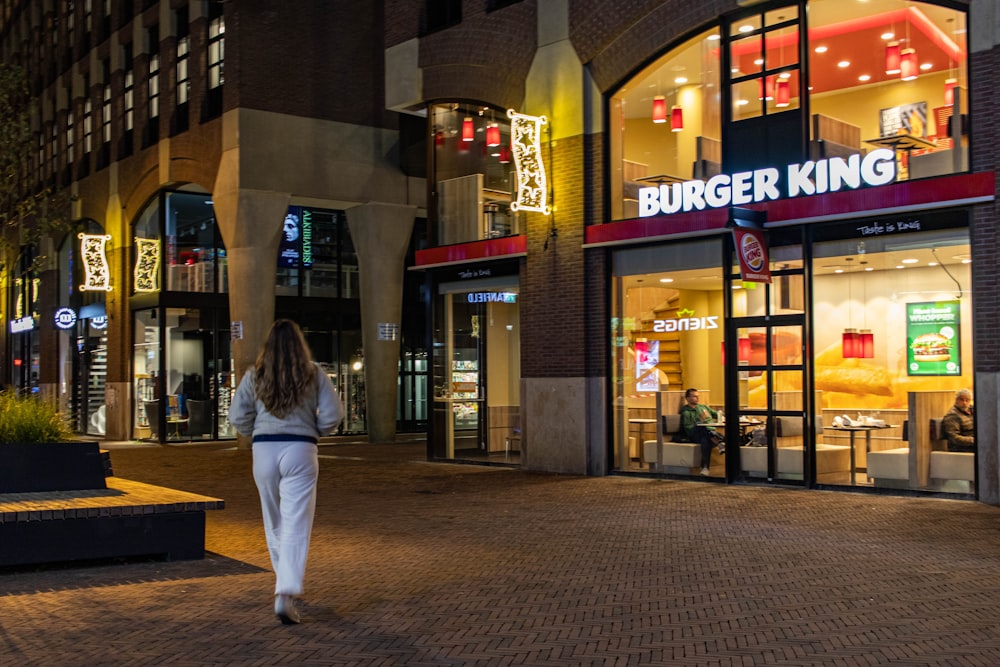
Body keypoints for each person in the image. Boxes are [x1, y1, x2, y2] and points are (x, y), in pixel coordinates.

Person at [228, 319, 344, 624]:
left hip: (264, 448)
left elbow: (237, 415)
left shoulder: (255, 374)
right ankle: (285, 589)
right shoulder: (313, 372)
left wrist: (253, 431)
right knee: (297, 520)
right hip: (300, 448)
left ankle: (284, 582)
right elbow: (333, 413)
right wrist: (315, 430)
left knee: (274, 519)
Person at [680, 388, 724, 476]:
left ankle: (705, 468)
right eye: (695, 396)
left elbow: (718, 414)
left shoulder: (703, 407)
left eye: (698, 396)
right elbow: (688, 428)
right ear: (688, 398)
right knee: (703, 430)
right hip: (695, 434)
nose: (697, 398)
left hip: (707, 435)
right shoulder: (686, 411)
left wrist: (725, 415)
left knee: (705, 440)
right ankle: (720, 441)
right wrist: (701, 420)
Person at [940, 388, 975, 453]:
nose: (964, 403)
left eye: (967, 400)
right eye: (961, 400)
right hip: (962, 449)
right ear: (956, 400)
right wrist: (975, 441)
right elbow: (954, 438)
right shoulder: (952, 415)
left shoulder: (973, 410)